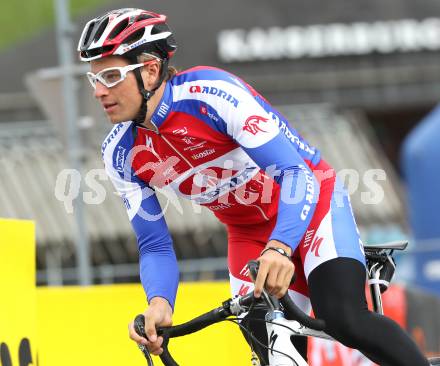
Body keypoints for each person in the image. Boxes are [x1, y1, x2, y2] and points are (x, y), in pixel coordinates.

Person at [78, 8, 429, 365]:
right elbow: (154, 244)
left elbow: (296, 174)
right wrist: (159, 303)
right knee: (269, 351)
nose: (99, 91)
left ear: (150, 70)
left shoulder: (211, 95)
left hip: (311, 204)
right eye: (94, 79)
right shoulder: (120, 152)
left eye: (110, 76)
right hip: (248, 234)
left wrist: (280, 247)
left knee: (343, 318)